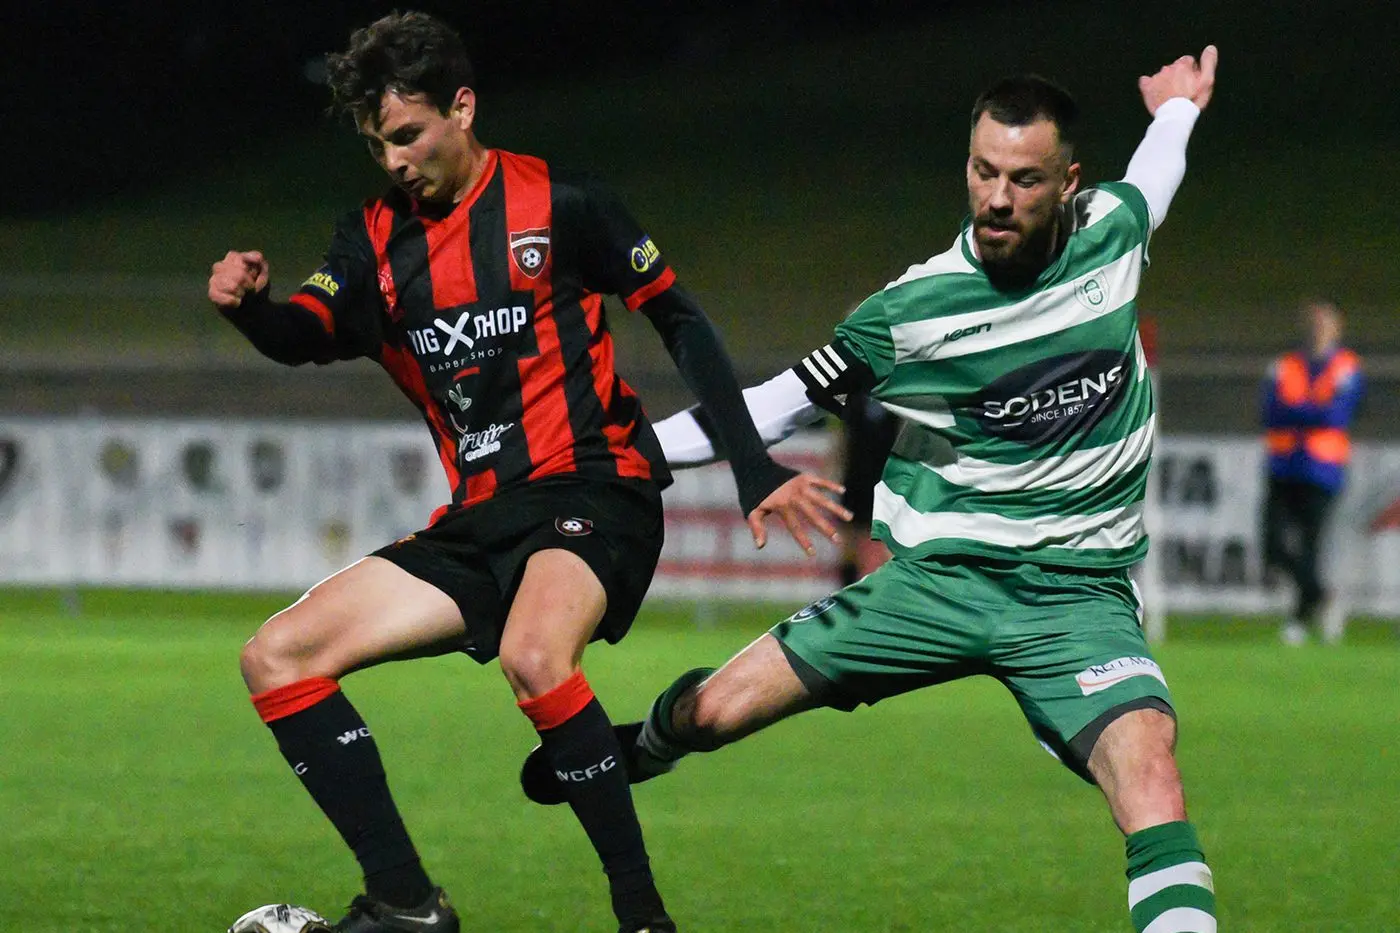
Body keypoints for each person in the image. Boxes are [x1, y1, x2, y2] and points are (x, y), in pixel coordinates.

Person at [522, 48, 1222, 932]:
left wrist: (1178, 109)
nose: (998, 198)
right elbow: (771, 407)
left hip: (1076, 597)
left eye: (1025, 180)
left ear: (1068, 185)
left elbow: (1157, 173)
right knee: (716, 710)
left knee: (1152, 773)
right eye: (983, 172)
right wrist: (607, 462)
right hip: (936, 584)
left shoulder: (1112, 231)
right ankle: (651, 744)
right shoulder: (913, 312)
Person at [206, 12, 846, 933]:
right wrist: (252, 309)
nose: (394, 161)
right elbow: (305, 332)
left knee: (536, 654)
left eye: (408, 135)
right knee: (277, 657)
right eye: (378, 144)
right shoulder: (372, 240)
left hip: (596, 488)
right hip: (482, 518)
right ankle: (406, 906)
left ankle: (644, 918)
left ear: (463, 108)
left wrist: (753, 467)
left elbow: (681, 320)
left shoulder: (562, 204)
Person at [1261, 298, 1364, 644]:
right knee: (1273, 546)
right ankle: (1321, 595)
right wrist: (1313, 412)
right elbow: (1270, 412)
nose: (1317, 330)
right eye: (1313, 323)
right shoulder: (1285, 365)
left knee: (1310, 548)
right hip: (1283, 465)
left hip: (1322, 469)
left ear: (1337, 329)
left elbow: (1337, 416)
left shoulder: (1346, 367)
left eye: (1324, 324)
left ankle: (1300, 618)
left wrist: (1296, 412)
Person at [836, 390, 898, 585]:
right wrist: (835, 470)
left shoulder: (897, 401)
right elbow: (844, 438)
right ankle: (846, 591)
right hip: (855, 479)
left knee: (889, 543)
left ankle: (888, 593)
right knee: (849, 542)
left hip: (885, 480)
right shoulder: (855, 400)